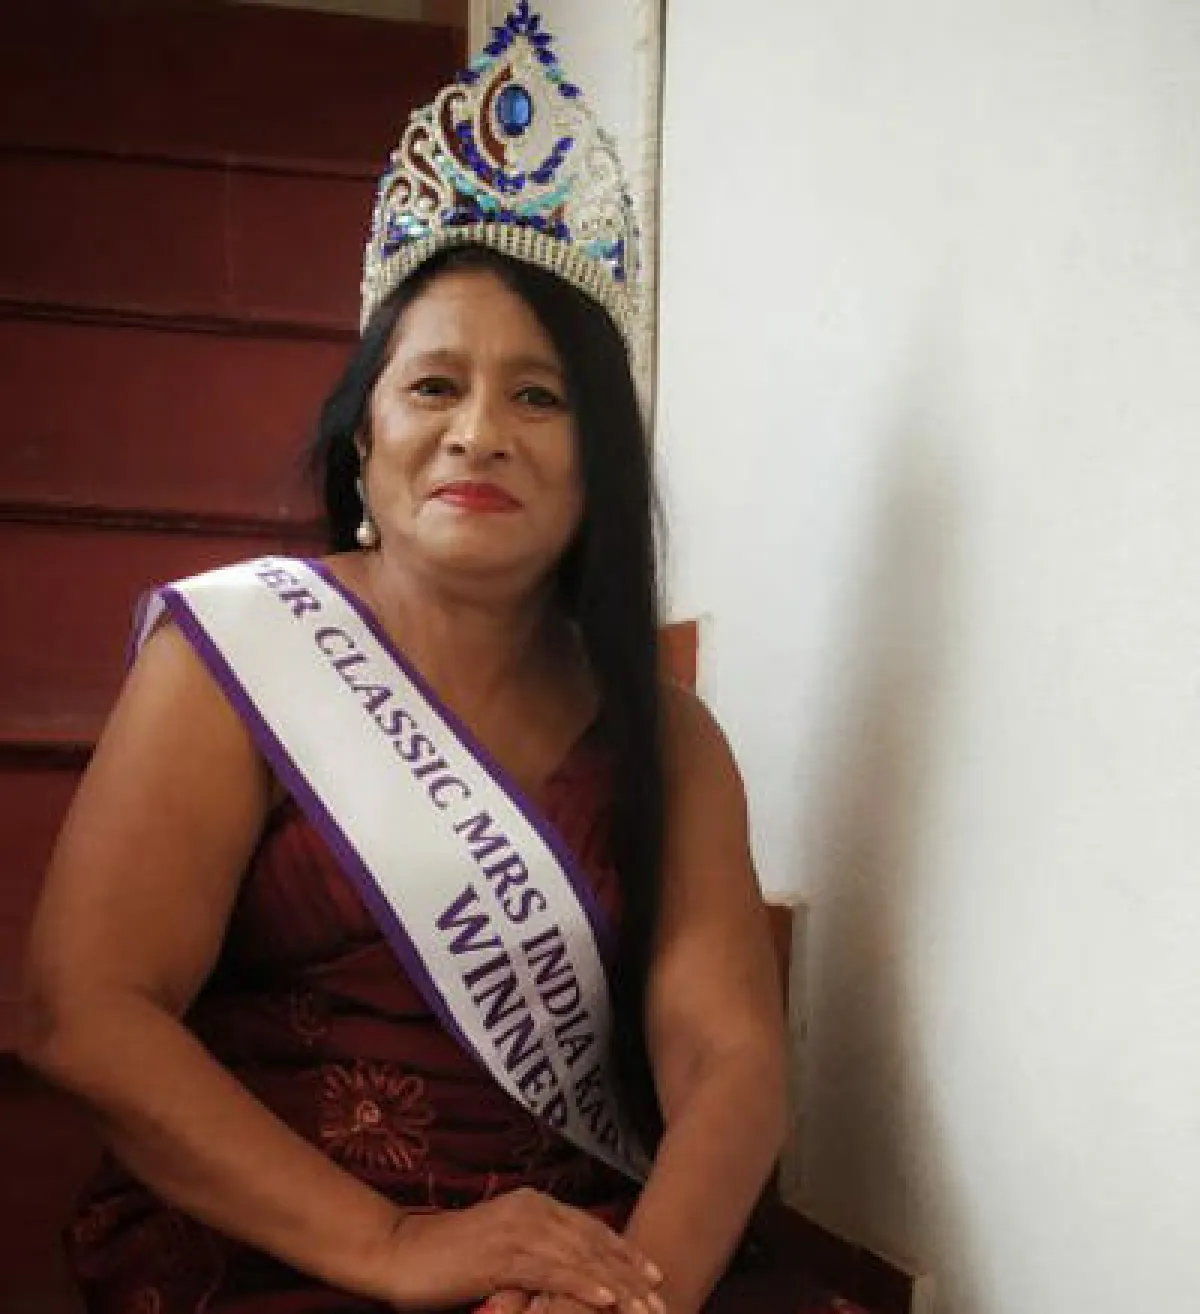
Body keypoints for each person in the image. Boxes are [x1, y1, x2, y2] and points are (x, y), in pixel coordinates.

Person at [19, 5, 870, 1313]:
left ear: (599, 466)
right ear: (363, 442)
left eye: (540, 396)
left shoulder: (666, 733)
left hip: (585, 1247)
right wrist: (396, 1244)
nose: (481, 431)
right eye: (433, 387)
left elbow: (729, 1061)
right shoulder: (236, 653)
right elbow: (85, 1010)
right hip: (287, 1243)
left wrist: (624, 1296)